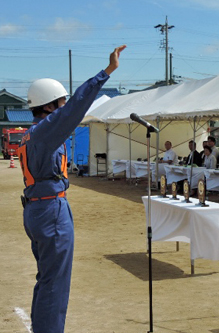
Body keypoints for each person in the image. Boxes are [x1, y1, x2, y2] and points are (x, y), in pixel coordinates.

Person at [18, 45, 126, 333]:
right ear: (50, 106)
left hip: (37, 206)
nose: (65, 107)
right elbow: (76, 108)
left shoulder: (32, 134)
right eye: (61, 103)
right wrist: (106, 72)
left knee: (47, 279)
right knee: (55, 283)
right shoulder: (45, 131)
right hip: (51, 208)